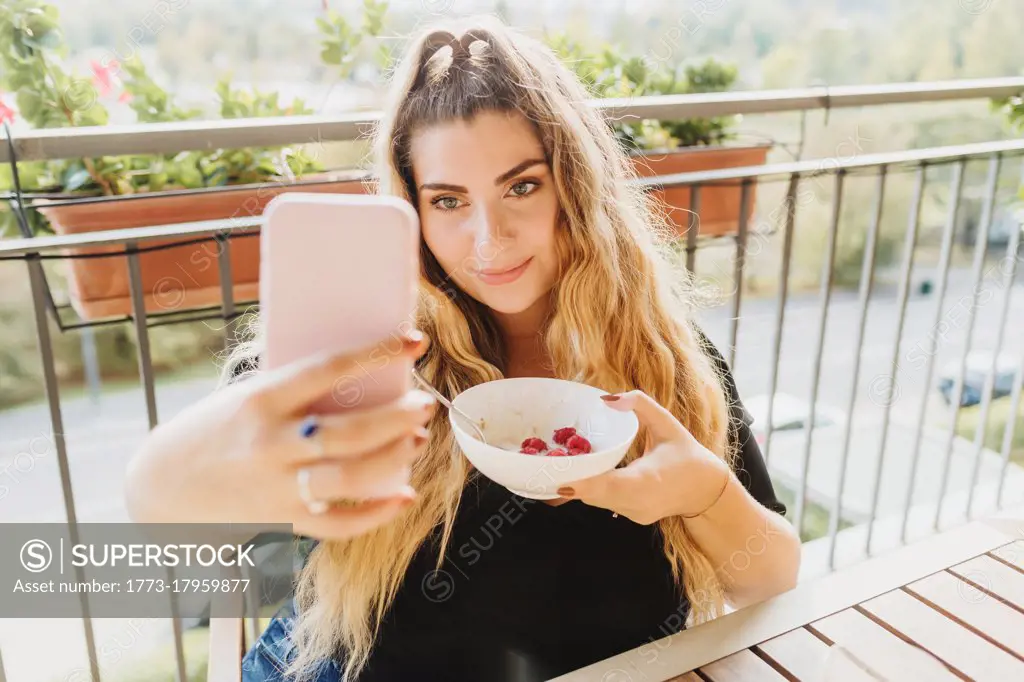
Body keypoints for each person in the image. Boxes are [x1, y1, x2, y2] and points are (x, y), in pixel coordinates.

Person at [125, 16, 801, 682]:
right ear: (413, 209)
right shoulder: (377, 357)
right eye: (448, 200)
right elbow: (169, 512)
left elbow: (771, 579)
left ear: (578, 188)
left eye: (522, 186)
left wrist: (703, 494)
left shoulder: (663, 360)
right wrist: (162, 483)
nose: (489, 239)